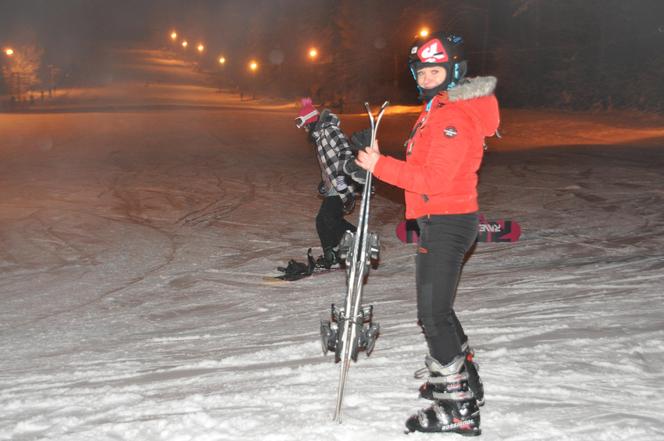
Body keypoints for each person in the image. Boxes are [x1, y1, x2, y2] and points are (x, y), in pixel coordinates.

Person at [355, 31, 499, 435]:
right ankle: (464, 382)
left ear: (454, 71)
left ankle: (458, 409)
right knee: (440, 310)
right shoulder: (440, 108)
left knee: (432, 315)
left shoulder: (452, 115)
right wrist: (377, 158)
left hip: (447, 220)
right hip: (444, 219)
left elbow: (434, 179)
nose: (429, 78)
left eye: (437, 71)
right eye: (424, 72)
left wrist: (379, 165)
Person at [295, 98, 367, 269]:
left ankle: (360, 240)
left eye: (305, 124)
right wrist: (324, 182)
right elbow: (330, 163)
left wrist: (343, 180)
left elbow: (345, 152)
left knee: (329, 217)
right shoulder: (320, 137)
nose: (304, 129)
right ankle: (332, 253)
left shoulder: (329, 130)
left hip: (343, 182)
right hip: (334, 184)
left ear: (311, 121)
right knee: (322, 220)